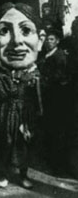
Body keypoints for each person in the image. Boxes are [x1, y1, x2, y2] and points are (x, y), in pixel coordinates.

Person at [0, 2, 44, 189]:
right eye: (4, 31)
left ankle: (23, 173)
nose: (16, 41)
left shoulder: (37, 73)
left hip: (26, 112)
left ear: (41, 40)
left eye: (26, 31)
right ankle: (4, 173)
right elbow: (1, 91)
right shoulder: (0, 74)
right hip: (7, 112)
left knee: (24, 143)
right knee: (5, 141)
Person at [39, 29, 69, 173]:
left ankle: (54, 162)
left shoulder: (59, 56)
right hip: (45, 95)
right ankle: (45, 156)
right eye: (46, 39)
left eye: (51, 39)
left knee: (54, 127)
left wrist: (43, 80)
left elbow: (59, 75)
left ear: (57, 41)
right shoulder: (44, 55)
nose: (48, 42)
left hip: (54, 96)